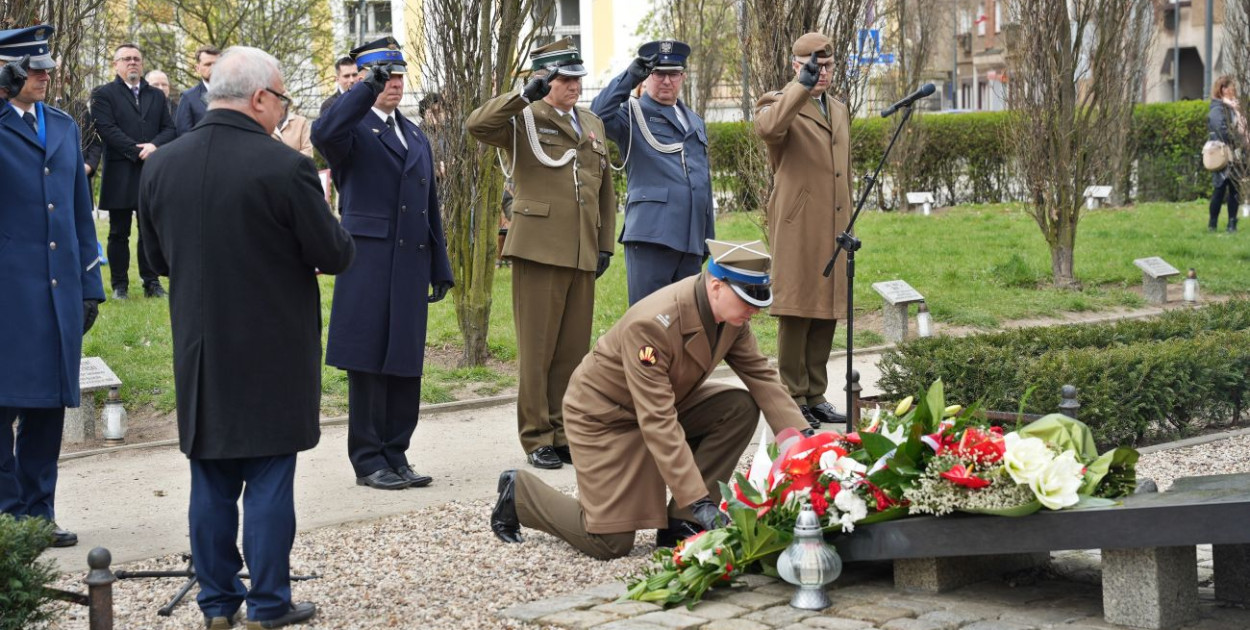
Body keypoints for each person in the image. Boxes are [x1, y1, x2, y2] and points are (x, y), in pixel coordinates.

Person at [138, 45, 355, 630]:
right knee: (267, 479)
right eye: (281, 99)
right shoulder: (284, 166)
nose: (282, 111)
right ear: (260, 97)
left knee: (209, 477)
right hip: (272, 347)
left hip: (200, 350)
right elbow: (332, 254)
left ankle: (215, 604)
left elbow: (154, 258)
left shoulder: (160, 165)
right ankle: (266, 604)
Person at [489, 240, 811, 559]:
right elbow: (657, 420)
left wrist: (807, 446)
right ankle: (520, 494)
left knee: (738, 408)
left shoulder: (732, 319)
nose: (754, 310)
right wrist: (702, 502)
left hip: (656, 405)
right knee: (609, 542)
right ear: (716, 287)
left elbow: (763, 378)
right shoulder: (653, 325)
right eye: (746, 300)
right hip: (604, 418)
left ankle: (682, 522)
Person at [467, 38, 616, 470]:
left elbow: (603, 185)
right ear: (546, 80)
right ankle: (536, 436)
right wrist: (521, 95)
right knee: (538, 350)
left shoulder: (590, 121)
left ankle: (564, 430)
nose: (574, 86)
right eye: (566, 79)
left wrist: (604, 243)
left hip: (581, 249)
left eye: (577, 79)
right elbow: (477, 126)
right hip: (538, 248)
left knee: (572, 350)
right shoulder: (524, 117)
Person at [311, 37, 453, 491]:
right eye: (383, 75)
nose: (393, 83)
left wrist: (440, 265)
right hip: (369, 261)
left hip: (410, 262)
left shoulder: (413, 133)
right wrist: (361, 89)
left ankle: (397, 452)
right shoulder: (351, 129)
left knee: (405, 363)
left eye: (397, 75)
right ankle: (368, 459)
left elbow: (429, 204)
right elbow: (323, 133)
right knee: (369, 363)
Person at [0, 24, 105, 549]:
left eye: (45, 67)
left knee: (47, 408)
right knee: (2, 406)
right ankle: (6, 516)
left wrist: (92, 285)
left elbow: (78, 215)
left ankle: (39, 513)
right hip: (7, 295)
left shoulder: (63, 126)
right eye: (32, 68)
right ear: (7, 73)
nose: (43, 75)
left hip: (57, 291)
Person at [753, 32, 851, 430]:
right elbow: (770, 130)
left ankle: (815, 393)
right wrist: (801, 87)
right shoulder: (777, 104)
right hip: (797, 223)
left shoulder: (839, 109)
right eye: (813, 65)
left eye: (826, 65)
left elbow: (842, 166)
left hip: (833, 221)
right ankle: (791, 396)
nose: (821, 72)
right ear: (796, 65)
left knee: (827, 307)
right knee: (796, 309)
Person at [591, 39, 714, 305]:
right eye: (659, 73)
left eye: (673, 74)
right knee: (648, 320)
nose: (667, 81)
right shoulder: (631, 114)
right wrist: (628, 77)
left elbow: (703, 180)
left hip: (690, 239)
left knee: (685, 320)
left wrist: (706, 238)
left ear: (682, 76)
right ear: (648, 76)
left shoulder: (694, 120)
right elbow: (597, 115)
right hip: (652, 235)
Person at [90, 43, 176, 300]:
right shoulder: (103, 94)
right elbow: (106, 128)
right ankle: (119, 285)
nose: (132, 63)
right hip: (120, 171)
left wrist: (154, 146)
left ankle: (151, 282)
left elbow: (169, 129)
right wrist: (135, 150)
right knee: (119, 231)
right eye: (126, 59)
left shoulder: (156, 96)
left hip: (151, 170)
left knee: (148, 229)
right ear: (116, 64)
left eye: (137, 58)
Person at [1209, 75, 1244, 234]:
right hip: (1222, 154)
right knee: (1219, 189)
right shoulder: (1217, 108)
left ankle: (1232, 224)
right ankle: (1212, 224)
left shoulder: (1233, 108)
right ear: (1222, 89)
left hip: (1235, 154)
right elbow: (1220, 130)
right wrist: (1237, 139)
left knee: (1235, 189)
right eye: (1230, 88)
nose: (1233, 91)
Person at [174, 45, 219, 135]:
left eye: (217, 64)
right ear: (197, 68)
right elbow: (183, 134)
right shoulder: (188, 97)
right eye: (208, 64)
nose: (214, 68)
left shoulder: (233, 95)